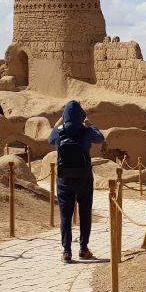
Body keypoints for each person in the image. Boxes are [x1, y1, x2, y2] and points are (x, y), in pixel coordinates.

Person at [48, 100, 104, 261]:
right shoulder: (85, 130)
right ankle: (83, 249)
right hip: (84, 178)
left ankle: (66, 251)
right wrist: (90, 124)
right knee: (85, 214)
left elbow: (50, 139)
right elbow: (100, 138)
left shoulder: (59, 132)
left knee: (65, 215)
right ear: (81, 115)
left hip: (64, 179)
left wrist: (61, 121)